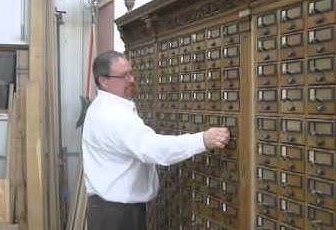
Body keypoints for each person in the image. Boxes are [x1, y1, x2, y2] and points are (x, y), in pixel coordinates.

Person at [82, 51, 231, 230]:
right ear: (103, 81)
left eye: (130, 72)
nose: (131, 79)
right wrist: (203, 140)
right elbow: (153, 149)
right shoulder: (112, 115)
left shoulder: (103, 107)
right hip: (116, 216)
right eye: (123, 76)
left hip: (110, 210)